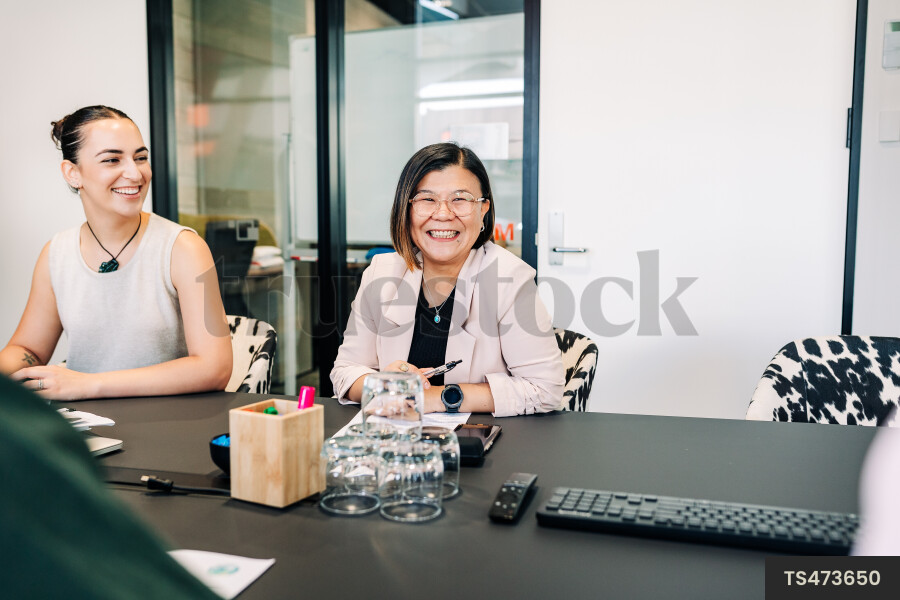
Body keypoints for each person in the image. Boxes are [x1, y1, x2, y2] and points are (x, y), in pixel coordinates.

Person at [0, 105, 232, 400]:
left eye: (141, 158)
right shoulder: (56, 254)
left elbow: (215, 367)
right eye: (112, 159)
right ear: (73, 173)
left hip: (170, 429)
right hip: (89, 431)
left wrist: (88, 385)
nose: (135, 173)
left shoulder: (184, 248)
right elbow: (27, 350)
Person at [331, 143, 564, 416]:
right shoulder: (381, 273)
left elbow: (544, 390)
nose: (443, 214)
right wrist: (379, 384)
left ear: (483, 210)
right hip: (395, 442)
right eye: (427, 199)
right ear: (406, 210)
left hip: (478, 447)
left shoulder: (510, 278)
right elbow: (345, 372)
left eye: (460, 199)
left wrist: (435, 398)